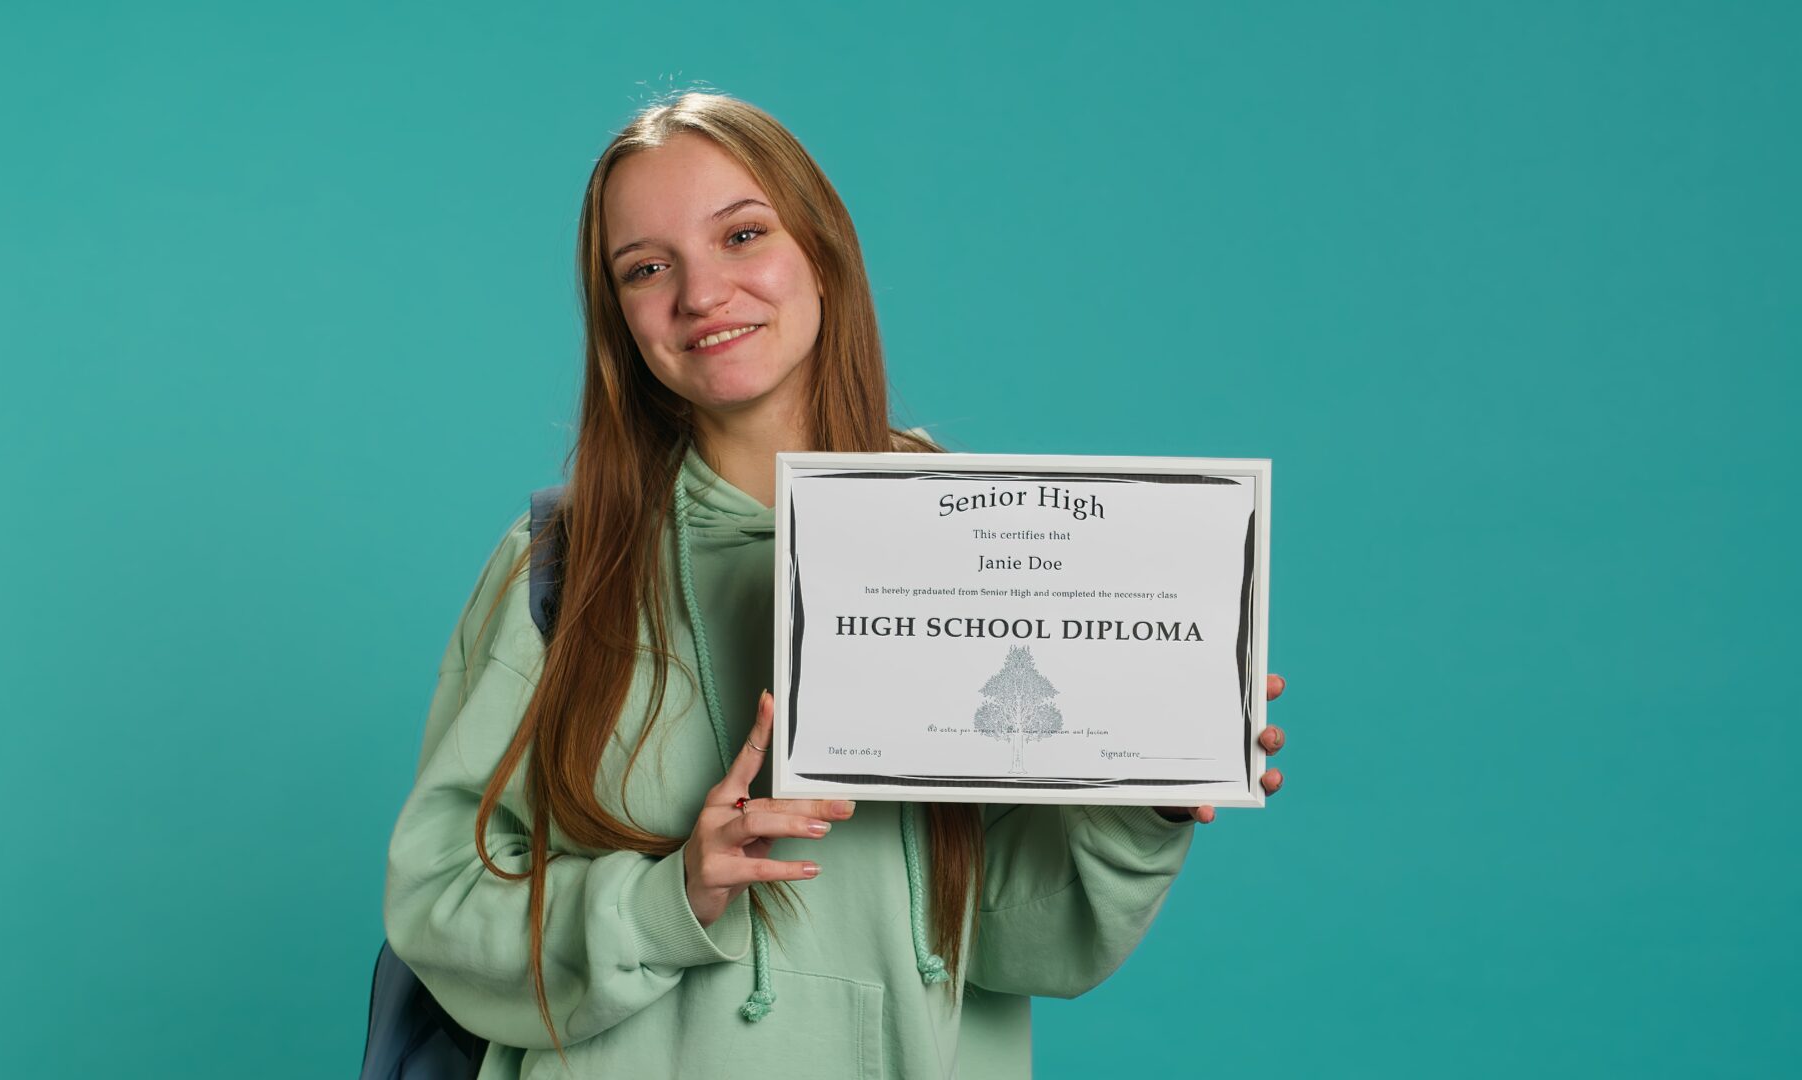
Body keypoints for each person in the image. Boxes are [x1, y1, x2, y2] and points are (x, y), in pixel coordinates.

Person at [382, 91, 1289, 1080]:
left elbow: (1021, 947)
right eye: (647, 268)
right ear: (618, 320)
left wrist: (1146, 796)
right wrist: (671, 893)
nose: (701, 293)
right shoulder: (564, 561)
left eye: (741, 234)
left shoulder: (997, 553)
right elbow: (438, 904)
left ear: (822, 250)